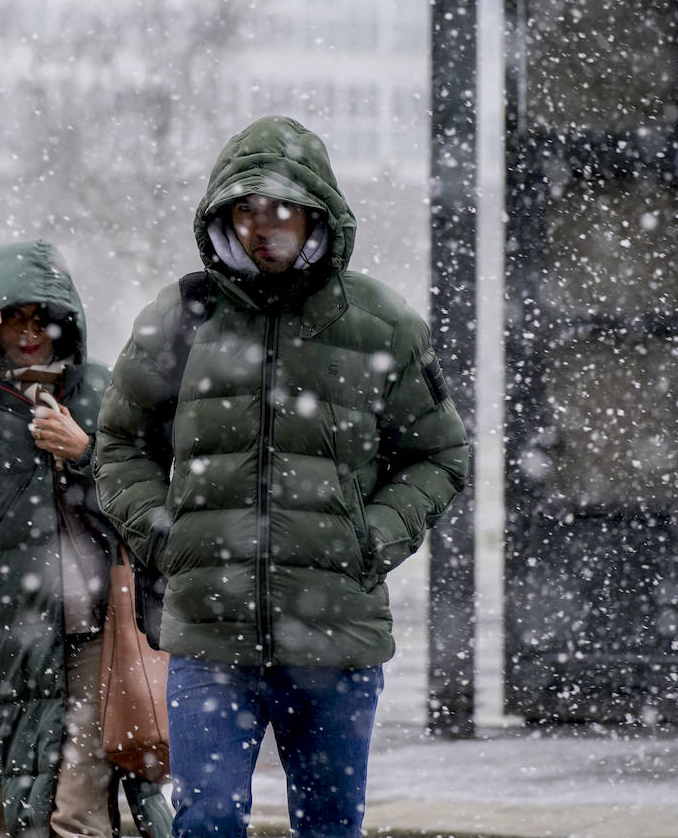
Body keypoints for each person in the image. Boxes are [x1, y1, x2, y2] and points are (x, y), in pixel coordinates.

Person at [93, 115, 469, 838]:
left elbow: (440, 454)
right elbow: (119, 444)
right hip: (210, 634)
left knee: (328, 824)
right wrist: (165, 537)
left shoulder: (380, 324)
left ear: (315, 213)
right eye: (244, 210)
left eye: (278, 208)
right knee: (206, 822)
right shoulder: (181, 319)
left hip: (336, 636)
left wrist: (369, 539)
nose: (260, 226)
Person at [0, 239, 171, 838]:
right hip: (0, 620)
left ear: (64, 320)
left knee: (80, 796)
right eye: (13, 318)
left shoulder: (102, 389)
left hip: (99, 621)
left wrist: (86, 453)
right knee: (13, 792)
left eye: (40, 317)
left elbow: (150, 496)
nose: (28, 332)